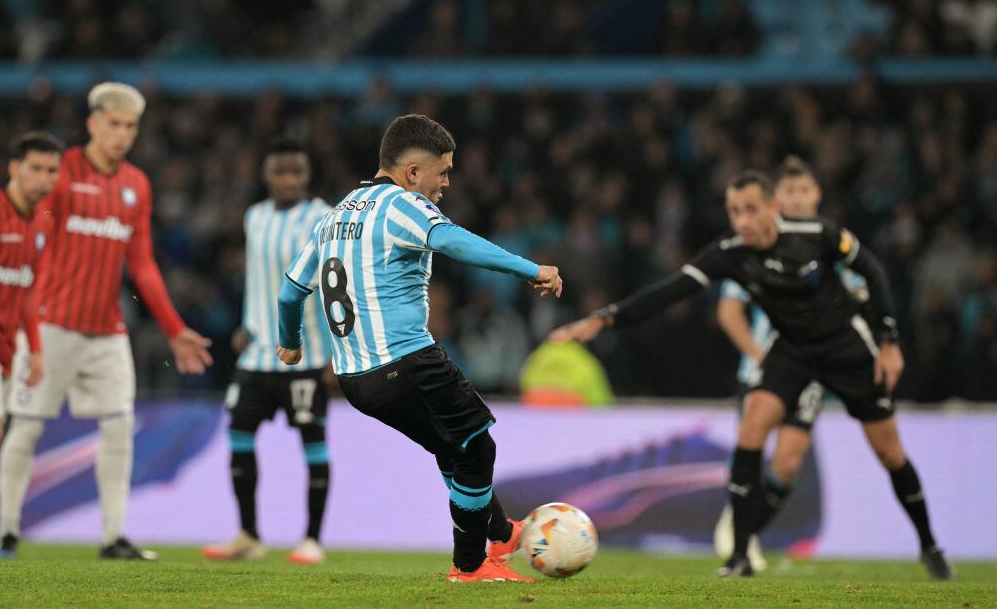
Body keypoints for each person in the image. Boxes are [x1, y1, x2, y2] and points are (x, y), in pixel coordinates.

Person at [551, 170, 952, 580]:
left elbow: (872, 271)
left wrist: (888, 340)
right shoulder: (730, 251)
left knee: (889, 452)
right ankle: (740, 555)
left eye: (750, 210)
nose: (742, 221)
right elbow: (670, 291)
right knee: (751, 430)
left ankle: (929, 545)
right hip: (793, 351)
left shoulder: (816, 233)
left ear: (773, 208)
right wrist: (604, 319)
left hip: (846, 348)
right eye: (734, 212)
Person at [276, 115, 562, 583]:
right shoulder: (399, 205)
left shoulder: (336, 214)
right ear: (412, 173)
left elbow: (290, 293)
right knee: (477, 448)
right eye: (443, 172)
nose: (446, 183)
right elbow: (450, 239)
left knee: (452, 449)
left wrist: (290, 343)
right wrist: (531, 269)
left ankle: (502, 534)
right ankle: (469, 565)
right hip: (407, 360)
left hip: (356, 380)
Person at [0, 82, 213, 560]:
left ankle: (113, 536)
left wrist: (175, 329)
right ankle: (7, 530)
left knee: (118, 427)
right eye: (113, 124)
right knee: (28, 426)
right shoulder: (61, 173)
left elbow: (142, 265)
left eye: (130, 126)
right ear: (93, 124)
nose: (122, 134)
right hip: (50, 327)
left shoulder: (137, 184)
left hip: (106, 332)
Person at [713, 156, 869, 565]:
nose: (798, 199)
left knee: (787, 464)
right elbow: (729, 310)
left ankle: (747, 534)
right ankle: (739, 534)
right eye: (790, 192)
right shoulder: (751, 246)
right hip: (764, 369)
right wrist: (758, 354)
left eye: (805, 190)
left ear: (817, 195)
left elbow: (858, 295)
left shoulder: (831, 244)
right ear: (777, 200)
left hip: (813, 368)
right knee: (753, 449)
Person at [202, 138, 335, 564]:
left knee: (312, 443)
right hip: (257, 353)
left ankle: (312, 539)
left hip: (308, 353)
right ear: (267, 175)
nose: (289, 179)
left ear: (307, 175)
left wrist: (336, 347)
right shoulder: (254, 217)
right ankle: (249, 535)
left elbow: (335, 280)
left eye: (296, 171)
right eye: (281, 171)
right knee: (238, 435)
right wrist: (247, 323)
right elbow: (259, 278)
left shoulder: (323, 217)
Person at [0, 132, 62, 556]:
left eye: (51, 171)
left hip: (8, 346)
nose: (43, 179)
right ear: (14, 168)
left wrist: (37, 349)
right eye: (35, 168)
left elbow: (29, 291)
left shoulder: (42, 223)